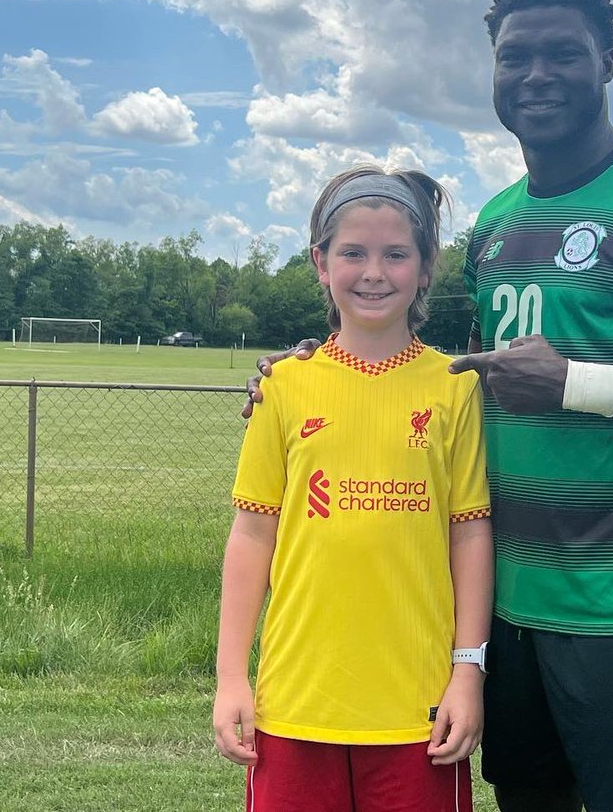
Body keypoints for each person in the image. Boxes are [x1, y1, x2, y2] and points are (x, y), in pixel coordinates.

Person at [244, 0, 613, 812]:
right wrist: (321, 362)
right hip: (511, 609)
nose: (536, 75)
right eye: (514, 56)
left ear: (607, 61)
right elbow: (452, 377)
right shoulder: (496, 225)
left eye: (563, 54)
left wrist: (580, 385)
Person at [216, 166, 493, 812]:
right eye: (353, 253)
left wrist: (467, 672)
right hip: (294, 704)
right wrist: (232, 676)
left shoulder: (455, 386)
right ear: (320, 263)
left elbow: (470, 534)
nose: (374, 272)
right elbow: (253, 533)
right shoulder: (285, 386)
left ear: (425, 268)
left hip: (416, 711)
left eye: (396, 254)